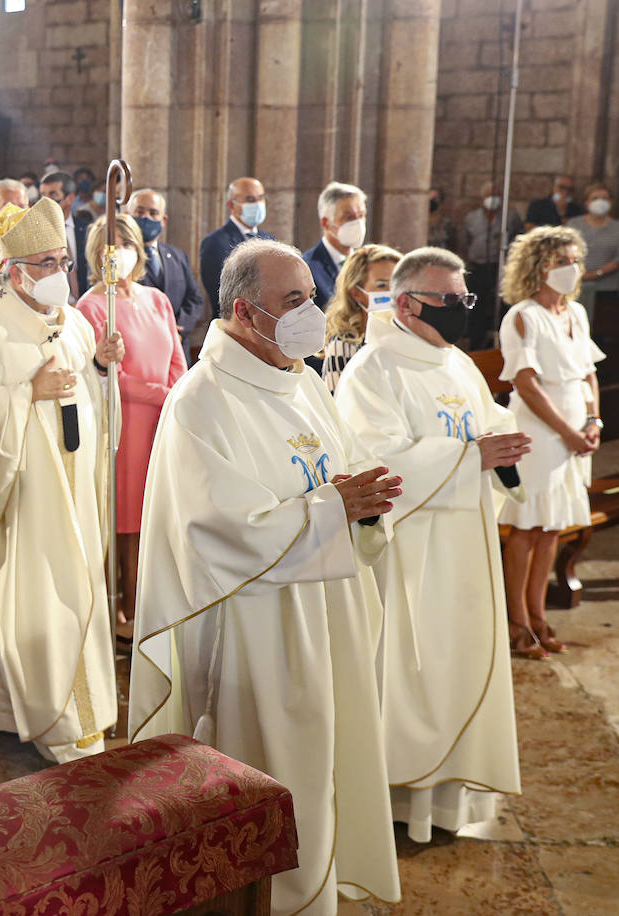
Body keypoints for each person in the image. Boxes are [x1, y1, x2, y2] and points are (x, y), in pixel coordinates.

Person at [129, 238, 402, 916]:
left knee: (328, 762)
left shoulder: (302, 378)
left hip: (327, 607)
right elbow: (215, 529)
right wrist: (330, 508)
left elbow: (337, 472)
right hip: (257, 629)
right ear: (247, 313)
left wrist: (361, 505)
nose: (312, 313)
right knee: (279, 773)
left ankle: (317, 888)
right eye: (295, 302)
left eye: (312, 296)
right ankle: (267, 901)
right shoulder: (200, 401)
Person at [334, 246, 527, 845]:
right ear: (411, 302)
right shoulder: (374, 370)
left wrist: (501, 445)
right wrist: (469, 457)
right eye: (452, 300)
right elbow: (378, 460)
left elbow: (484, 422)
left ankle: (448, 798)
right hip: (412, 551)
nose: (462, 312)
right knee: (410, 669)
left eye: (467, 298)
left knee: (456, 661)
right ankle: (396, 798)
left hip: (464, 544)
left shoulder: (457, 364)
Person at [0, 199, 125, 764]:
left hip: (75, 488)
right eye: (46, 262)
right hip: (21, 492)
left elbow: (88, 394)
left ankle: (74, 709)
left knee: (77, 588)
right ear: (14, 269)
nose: (58, 272)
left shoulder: (76, 319)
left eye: (63, 260)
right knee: (36, 597)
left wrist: (101, 369)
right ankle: (52, 717)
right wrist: (24, 394)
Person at [497, 226, 605, 658]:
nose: (571, 268)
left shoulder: (575, 313)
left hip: (576, 432)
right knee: (527, 529)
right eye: (561, 261)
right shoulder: (522, 315)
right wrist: (567, 432)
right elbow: (525, 382)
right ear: (538, 265)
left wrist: (594, 420)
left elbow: (589, 372)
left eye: (574, 260)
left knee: (553, 529)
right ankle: (517, 621)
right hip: (540, 433)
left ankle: (540, 615)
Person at [75, 214, 186, 627]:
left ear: (139, 250)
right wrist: (163, 395)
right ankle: (121, 612)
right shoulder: (90, 305)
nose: (119, 251)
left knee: (157, 517)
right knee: (126, 522)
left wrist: (177, 394)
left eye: (126, 243)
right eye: (110, 244)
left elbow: (176, 355)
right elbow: (107, 375)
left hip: (165, 419)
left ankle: (150, 609)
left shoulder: (156, 298)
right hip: (127, 424)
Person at [128, 188, 204, 361]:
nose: (146, 217)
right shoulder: (122, 258)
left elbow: (194, 298)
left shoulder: (177, 256)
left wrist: (178, 327)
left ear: (163, 220)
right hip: (140, 349)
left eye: (153, 213)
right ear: (127, 214)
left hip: (177, 346)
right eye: (140, 212)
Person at [321, 244, 403, 394]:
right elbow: (337, 404)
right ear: (356, 293)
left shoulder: (409, 337)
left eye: (398, 284)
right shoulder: (344, 344)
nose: (393, 293)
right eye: (382, 285)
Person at [198, 177, 276, 319]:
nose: (258, 204)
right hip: (233, 323)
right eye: (250, 200)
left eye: (261, 198)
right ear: (231, 205)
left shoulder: (270, 240)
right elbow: (219, 292)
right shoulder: (215, 243)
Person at [461, 182, 523, 349]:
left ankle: (504, 344)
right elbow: (465, 241)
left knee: (503, 304)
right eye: (489, 195)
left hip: (500, 267)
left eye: (496, 195)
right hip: (477, 266)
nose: (493, 199)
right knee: (477, 307)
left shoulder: (509, 217)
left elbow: (517, 237)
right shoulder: (471, 218)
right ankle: (475, 344)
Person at [304, 182, 367, 309]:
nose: (358, 223)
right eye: (349, 217)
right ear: (326, 223)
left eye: (361, 216)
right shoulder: (308, 268)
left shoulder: (367, 264)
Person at [566, 184, 619, 326]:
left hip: (607, 290)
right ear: (586, 202)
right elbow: (565, 251)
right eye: (595, 198)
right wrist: (580, 273)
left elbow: (617, 259)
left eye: (604, 198)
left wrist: (597, 273)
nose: (600, 201)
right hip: (576, 285)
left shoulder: (616, 228)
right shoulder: (574, 224)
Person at [40, 171, 90, 300]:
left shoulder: (87, 229)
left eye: (53, 194)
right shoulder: (36, 232)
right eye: (43, 195)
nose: (46, 201)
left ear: (70, 198)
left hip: (84, 302)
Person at [427, 187, 457, 253]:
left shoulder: (447, 224)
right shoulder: (419, 225)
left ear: (440, 201)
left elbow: (453, 247)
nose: (431, 201)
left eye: (434, 199)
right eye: (429, 198)